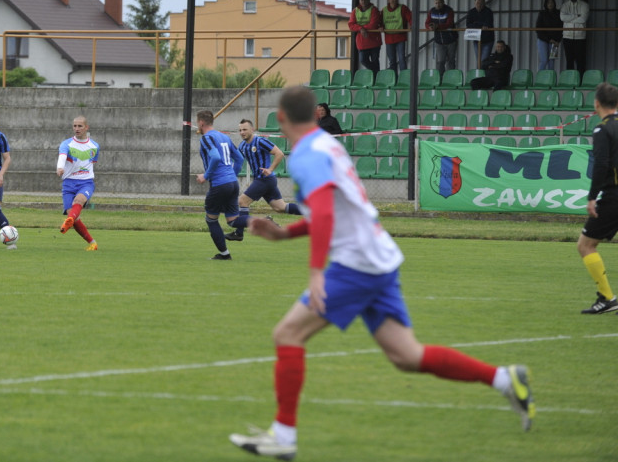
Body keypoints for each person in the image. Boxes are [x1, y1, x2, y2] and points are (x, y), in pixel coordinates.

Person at [228, 86, 534, 460]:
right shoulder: (329, 146)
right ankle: (505, 379)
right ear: (316, 114)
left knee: (288, 334)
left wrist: (315, 272)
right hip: (378, 258)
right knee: (407, 355)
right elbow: (338, 210)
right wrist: (284, 233)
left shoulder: (308, 154)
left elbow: (325, 213)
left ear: (280, 119)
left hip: (356, 262)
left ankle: (284, 436)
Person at [576, 82, 618, 314]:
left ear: (597, 103)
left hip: (614, 196)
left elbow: (601, 164)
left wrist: (592, 197)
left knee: (586, 245)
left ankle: (607, 298)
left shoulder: (602, 129)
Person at [226, 119, 302, 242]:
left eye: (245, 129)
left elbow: (279, 154)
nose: (242, 132)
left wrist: (270, 169)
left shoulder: (260, 141)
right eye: (240, 130)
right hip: (264, 181)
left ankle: (239, 233)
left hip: (265, 179)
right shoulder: (243, 146)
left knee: (242, 202)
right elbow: (237, 160)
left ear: (252, 130)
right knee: (280, 207)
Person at [196, 110, 247, 260]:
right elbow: (239, 159)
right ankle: (263, 222)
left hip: (219, 184)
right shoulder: (224, 136)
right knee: (233, 221)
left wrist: (205, 176)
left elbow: (216, 157)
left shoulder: (206, 138)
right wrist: (231, 175)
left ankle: (225, 254)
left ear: (201, 123)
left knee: (211, 219)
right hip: (232, 183)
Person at [57, 115, 100, 251]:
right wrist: (60, 167)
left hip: (86, 182)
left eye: (80, 126)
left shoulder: (94, 146)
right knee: (74, 217)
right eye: (74, 126)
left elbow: (92, 163)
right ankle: (92, 243)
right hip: (68, 183)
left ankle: (68, 220)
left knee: (79, 201)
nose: (77, 128)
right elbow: (62, 156)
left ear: (86, 127)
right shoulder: (66, 144)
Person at [348, 0, 382, 72]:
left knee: (375, 60)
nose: (363, 2)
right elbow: (351, 25)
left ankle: (376, 79)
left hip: (374, 41)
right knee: (363, 60)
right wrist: (360, 28)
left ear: (369, 0)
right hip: (362, 41)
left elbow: (373, 24)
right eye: (361, 0)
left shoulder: (374, 9)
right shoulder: (355, 11)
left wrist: (362, 28)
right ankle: (376, 73)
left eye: (365, 0)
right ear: (359, 1)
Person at [560, 0, 590, 75]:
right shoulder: (564, 5)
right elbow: (562, 17)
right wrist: (576, 15)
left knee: (580, 61)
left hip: (580, 37)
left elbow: (583, 19)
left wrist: (569, 18)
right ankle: (570, 82)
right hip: (567, 37)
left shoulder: (585, 5)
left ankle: (580, 82)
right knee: (569, 61)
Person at [425, 0, 457, 74]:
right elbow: (427, 23)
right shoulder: (431, 11)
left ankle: (451, 80)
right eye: (436, 3)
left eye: (439, 3)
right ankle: (440, 80)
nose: (437, 5)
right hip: (439, 41)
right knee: (440, 61)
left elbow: (449, 23)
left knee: (451, 61)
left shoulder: (449, 11)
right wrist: (429, 27)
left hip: (451, 40)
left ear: (443, 3)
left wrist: (437, 26)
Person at [381, 0, 412, 73]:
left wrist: (411, 25)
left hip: (400, 37)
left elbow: (410, 18)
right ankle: (394, 78)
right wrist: (380, 27)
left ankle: (403, 78)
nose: (395, 0)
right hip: (389, 38)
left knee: (402, 59)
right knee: (392, 60)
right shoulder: (384, 10)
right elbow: (379, 21)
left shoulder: (403, 8)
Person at [534, 0, 563, 72]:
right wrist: (550, 40)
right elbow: (538, 29)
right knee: (544, 60)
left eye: (552, 2)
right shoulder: (542, 13)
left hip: (555, 41)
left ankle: (551, 81)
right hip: (543, 40)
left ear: (554, 4)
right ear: (546, 4)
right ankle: (539, 81)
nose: (550, 4)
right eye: (548, 3)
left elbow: (561, 28)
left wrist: (558, 41)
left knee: (552, 62)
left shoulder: (558, 14)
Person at [466, 0, 495, 66]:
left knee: (484, 60)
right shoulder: (471, 12)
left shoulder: (488, 12)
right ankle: (480, 75)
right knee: (478, 60)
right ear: (474, 4)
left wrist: (475, 24)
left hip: (488, 40)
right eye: (477, 3)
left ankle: (483, 75)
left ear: (484, 3)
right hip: (476, 40)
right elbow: (468, 25)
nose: (479, 5)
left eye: (481, 3)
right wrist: (481, 25)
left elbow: (488, 24)